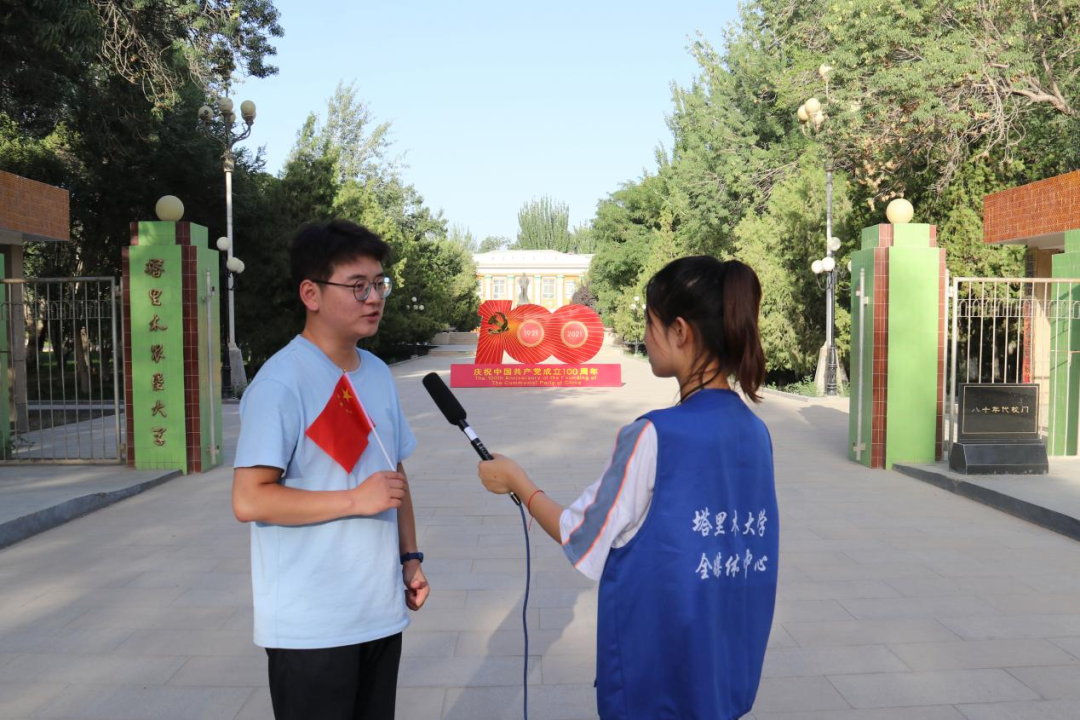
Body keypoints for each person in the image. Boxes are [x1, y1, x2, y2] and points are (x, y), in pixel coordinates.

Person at [478, 256, 778, 720]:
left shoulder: (654, 434)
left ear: (680, 331)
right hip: (726, 673)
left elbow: (581, 534)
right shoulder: (756, 431)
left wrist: (519, 481)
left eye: (649, 324)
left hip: (658, 678)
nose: (646, 336)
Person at [232, 219, 429, 720]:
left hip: (379, 611)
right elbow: (250, 498)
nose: (374, 298)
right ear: (311, 294)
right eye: (357, 286)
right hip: (311, 624)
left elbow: (394, 474)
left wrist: (409, 557)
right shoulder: (281, 382)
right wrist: (354, 499)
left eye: (379, 283)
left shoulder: (377, 373)